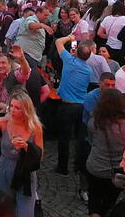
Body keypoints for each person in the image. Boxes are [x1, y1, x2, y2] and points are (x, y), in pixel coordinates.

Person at [85, 89, 125, 217]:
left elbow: (91, 140)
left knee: (94, 197)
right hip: (117, 170)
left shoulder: (94, 122)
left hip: (95, 166)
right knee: (110, 200)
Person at [54, 34, 92, 176]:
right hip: (82, 106)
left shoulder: (69, 61)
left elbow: (58, 41)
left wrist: (70, 37)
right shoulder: (88, 71)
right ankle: (79, 166)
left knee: (64, 138)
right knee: (80, 138)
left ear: (76, 52)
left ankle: (62, 167)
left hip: (67, 106)